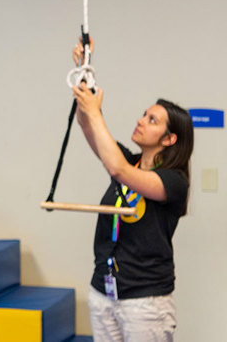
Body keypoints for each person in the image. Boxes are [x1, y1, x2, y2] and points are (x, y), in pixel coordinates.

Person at [71, 40, 194, 341]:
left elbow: (118, 171)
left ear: (169, 139)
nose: (141, 120)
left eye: (152, 120)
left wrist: (96, 112)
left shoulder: (174, 181)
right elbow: (88, 127)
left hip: (145, 303)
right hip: (103, 292)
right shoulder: (129, 159)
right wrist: (83, 72)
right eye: (144, 114)